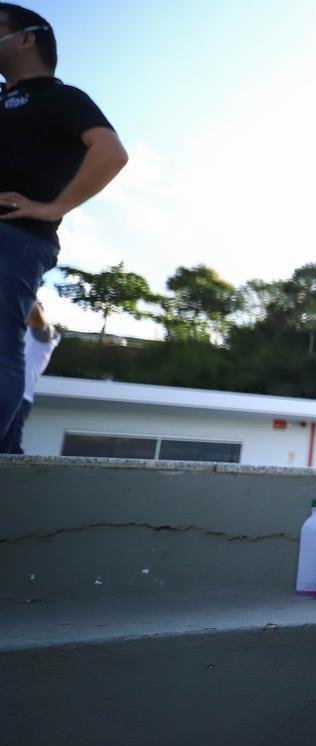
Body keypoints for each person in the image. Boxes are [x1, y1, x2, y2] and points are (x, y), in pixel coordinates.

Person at [0, 4, 127, 450]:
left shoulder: (62, 97)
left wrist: (53, 207)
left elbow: (111, 153)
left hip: (13, 237)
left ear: (27, 38)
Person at [0, 301, 57, 453]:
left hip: (19, 397)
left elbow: (35, 313)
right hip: (7, 393)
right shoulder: (10, 335)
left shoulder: (44, 336)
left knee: (8, 448)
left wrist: (24, 294)